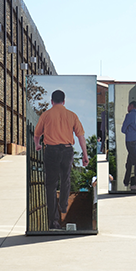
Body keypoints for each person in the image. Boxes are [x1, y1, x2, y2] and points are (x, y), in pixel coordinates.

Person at [34, 90, 89, 230]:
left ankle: (54, 220)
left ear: (52, 101)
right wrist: (85, 154)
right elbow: (81, 136)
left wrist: (37, 145)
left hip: (51, 151)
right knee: (65, 179)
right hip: (67, 150)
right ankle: (63, 206)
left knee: (51, 185)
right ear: (64, 101)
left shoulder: (46, 115)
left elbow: (36, 134)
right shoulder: (72, 115)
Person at [121, 101, 136, 190]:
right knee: (130, 161)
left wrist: (128, 131)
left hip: (130, 140)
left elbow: (123, 129)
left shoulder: (129, 115)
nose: (127, 108)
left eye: (128, 106)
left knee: (135, 161)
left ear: (131, 106)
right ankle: (126, 181)